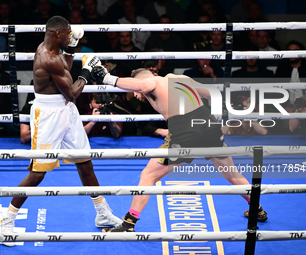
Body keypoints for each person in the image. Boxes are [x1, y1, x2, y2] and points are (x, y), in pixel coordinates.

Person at [86, 59, 268, 232]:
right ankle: (257, 209)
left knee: (148, 176)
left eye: (134, 89)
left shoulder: (152, 82)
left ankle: (128, 224)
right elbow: (210, 93)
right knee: (231, 173)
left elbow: (143, 85)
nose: (135, 94)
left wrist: (106, 77)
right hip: (207, 124)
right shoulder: (178, 78)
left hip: (184, 131)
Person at [0, 16, 121, 247]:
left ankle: (102, 211)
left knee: (84, 162)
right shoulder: (49, 57)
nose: (69, 37)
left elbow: (65, 70)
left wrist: (73, 46)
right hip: (48, 115)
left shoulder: (51, 49)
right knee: (38, 173)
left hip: (66, 111)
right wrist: (87, 71)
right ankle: (7, 220)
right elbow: (72, 91)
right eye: (67, 34)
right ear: (57, 34)